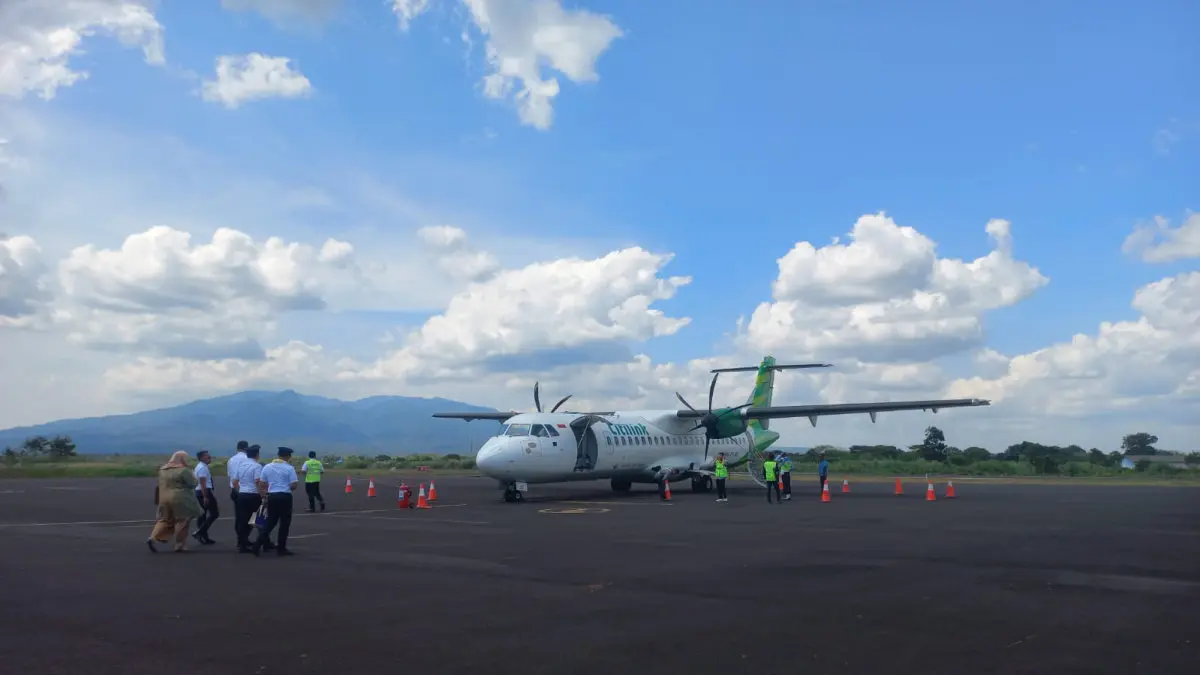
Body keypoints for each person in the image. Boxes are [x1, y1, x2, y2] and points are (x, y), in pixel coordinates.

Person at [146, 451, 204, 553]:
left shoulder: (163, 470)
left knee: (164, 520)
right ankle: (180, 544)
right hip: (180, 498)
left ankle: (153, 537)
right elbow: (193, 483)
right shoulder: (183, 470)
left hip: (164, 497)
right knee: (182, 520)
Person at [253, 447, 299, 557]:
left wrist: (264, 496)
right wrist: (287, 488)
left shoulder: (267, 467)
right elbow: (294, 484)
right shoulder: (289, 468)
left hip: (272, 496)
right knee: (284, 524)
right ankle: (281, 548)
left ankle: (258, 543)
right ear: (287, 456)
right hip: (285, 496)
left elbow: (262, 484)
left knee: (270, 522)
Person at [233, 444, 273, 553]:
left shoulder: (241, 466)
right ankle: (264, 543)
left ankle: (243, 544)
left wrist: (241, 490)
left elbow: (235, 482)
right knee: (260, 519)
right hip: (254, 496)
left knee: (244, 521)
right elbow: (257, 482)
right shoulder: (257, 466)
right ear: (257, 455)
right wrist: (263, 496)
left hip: (242, 495)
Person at [192, 450, 218, 545]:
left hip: (200, 492)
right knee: (214, 513)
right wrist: (205, 496)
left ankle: (203, 537)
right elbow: (203, 483)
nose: (209, 457)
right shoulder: (202, 468)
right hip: (204, 492)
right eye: (207, 456)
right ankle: (200, 532)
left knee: (203, 515)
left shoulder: (201, 466)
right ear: (202, 457)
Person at [227, 440, 249, 540]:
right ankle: (244, 539)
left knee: (239, 517)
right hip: (245, 490)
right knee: (252, 516)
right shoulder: (247, 459)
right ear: (246, 448)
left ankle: (241, 539)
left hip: (234, 489)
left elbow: (230, 475)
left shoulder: (231, 459)